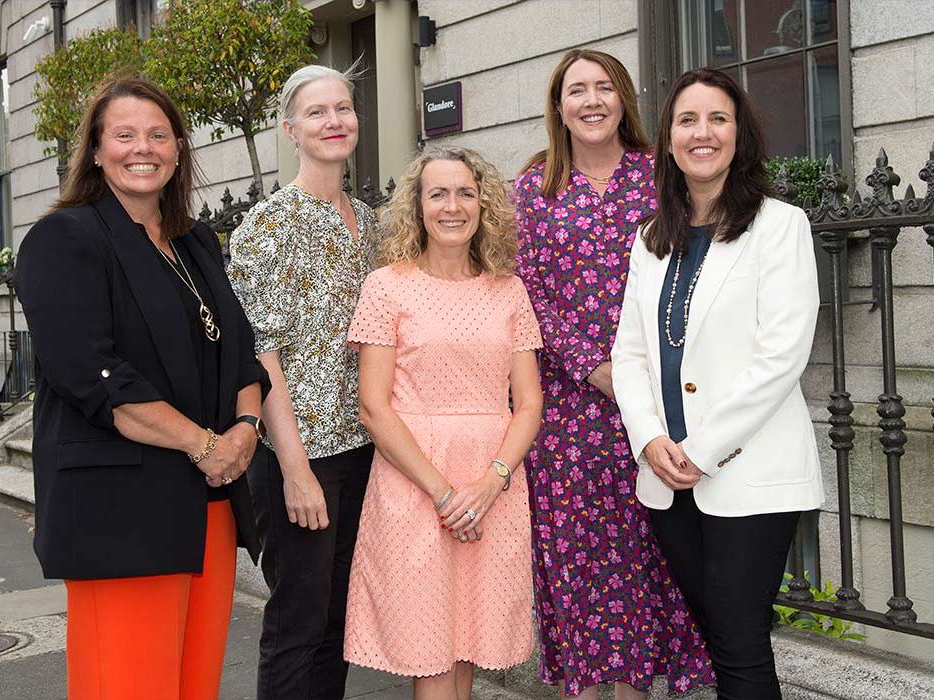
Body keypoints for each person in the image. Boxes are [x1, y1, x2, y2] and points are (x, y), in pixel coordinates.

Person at [15, 75, 268, 700]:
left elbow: (241, 351)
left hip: (207, 505)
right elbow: (93, 376)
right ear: (96, 150)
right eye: (124, 135)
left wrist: (245, 430)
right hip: (120, 510)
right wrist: (204, 445)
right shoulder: (64, 238)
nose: (143, 148)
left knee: (193, 686)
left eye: (158, 134)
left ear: (179, 148)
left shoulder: (195, 241)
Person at [609, 67, 823, 700]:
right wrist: (650, 439)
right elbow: (630, 353)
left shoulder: (780, 225)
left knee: (739, 643)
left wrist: (700, 452)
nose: (702, 133)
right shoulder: (650, 239)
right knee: (720, 637)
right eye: (687, 120)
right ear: (669, 140)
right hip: (667, 476)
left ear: (739, 134)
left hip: (748, 474)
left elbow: (782, 355)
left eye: (718, 119)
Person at [511, 49, 714, 699]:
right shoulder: (533, 190)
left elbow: (695, 273)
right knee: (580, 568)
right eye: (577, 90)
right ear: (559, 106)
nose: (592, 100)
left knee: (649, 565)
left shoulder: (661, 176)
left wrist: (640, 372)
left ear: (623, 97)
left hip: (655, 403)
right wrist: (591, 366)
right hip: (568, 413)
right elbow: (526, 294)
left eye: (604, 87)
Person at [338, 146, 543, 700]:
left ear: (484, 205)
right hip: (415, 483)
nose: (453, 206)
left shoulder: (510, 290)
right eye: (438, 194)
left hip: (492, 483)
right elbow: (374, 408)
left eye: (466, 193)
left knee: (469, 644)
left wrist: (490, 483)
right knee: (430, 654)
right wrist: (446, 494)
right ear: (418, 206)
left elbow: (528, 404)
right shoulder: (386, 286)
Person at [224, 63, 377, 700]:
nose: (334, 121)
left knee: (340, 619)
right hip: (300, 455)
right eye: (317, 112)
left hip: (362, 449)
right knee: (298, 622)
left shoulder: (368, 220)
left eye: (343, 108)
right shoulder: (268, 226)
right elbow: (263, 358)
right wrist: (295, 471)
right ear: (291, 129)